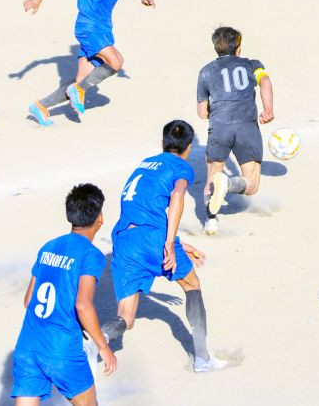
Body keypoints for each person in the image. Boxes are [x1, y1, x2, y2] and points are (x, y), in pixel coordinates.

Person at [102, 119, 227, 373]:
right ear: (188, 147)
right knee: (192, 284)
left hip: (124, 239)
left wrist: (179, 242)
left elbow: (144, 209)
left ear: (162, 143)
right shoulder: (181, 167)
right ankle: (202, 359)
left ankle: (98, 339)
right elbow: (178, 196)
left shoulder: (145, 164)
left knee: (126, 317)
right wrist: (169, 243)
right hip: (154, 239)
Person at [22, 0, 154, 126]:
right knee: (116, 62)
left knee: (79, 82)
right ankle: (78, 90)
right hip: (87, 26)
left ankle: (40, 106)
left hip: (104, 27)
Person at [11, 184, 115, 406]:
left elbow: (28, 301)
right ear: (100, 218)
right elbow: (83, 305)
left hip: (28, 346)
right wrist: (104, 348)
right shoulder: (91, 255)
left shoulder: (48, 247)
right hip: (61, 349)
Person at [196, 26, 274, 235]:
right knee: (251, 184)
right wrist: (268, 109)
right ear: (238, 48)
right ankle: (229, 184)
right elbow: (265, 81)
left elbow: (202, 113)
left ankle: (211, 221)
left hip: (219, 128)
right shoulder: (252, 65)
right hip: (247, 127)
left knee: (212, 177)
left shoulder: (205, 72)